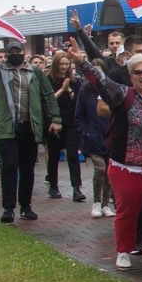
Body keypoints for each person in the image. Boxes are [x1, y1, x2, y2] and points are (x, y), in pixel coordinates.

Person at [72, 48, 142, 273]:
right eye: (137, 72)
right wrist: (83, 63)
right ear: (131, 76)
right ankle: (123, 252)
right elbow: (100, 81)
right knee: (128, 212)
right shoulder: (122, 94)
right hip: (125, 168)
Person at [0, 42, 61, 221]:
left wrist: (56, 119)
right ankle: (8, 208)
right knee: (9, 166)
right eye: (11, 52)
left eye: (18, 51)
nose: (15, 54)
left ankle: (25, 206)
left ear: (24, 53)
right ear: (6, 54)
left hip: (30, 126)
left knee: (27, 168)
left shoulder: (35, 72)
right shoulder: (0, 71)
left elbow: (48, 95)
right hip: (6, 125)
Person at [75, 58, 114, 217]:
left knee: (110, 173)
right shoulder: (84, 91)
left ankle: (106, 204)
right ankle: (96, 202)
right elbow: (79, 116)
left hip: (110, 138)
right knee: (100, 169)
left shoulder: (111, 90)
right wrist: (86, 133)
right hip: (93, 138)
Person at [45, 51, 85, 202]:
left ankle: (76, 187)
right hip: (54, 121)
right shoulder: (48, 79)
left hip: (70, 122)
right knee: (54, 154)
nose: (63, 67)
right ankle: (53, 185)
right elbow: (49, 100)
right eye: (61, 64)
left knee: (73, 154)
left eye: (66, 65)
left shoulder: (75, 80)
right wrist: (62, 89)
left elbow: (78, 101)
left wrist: (68, 89)